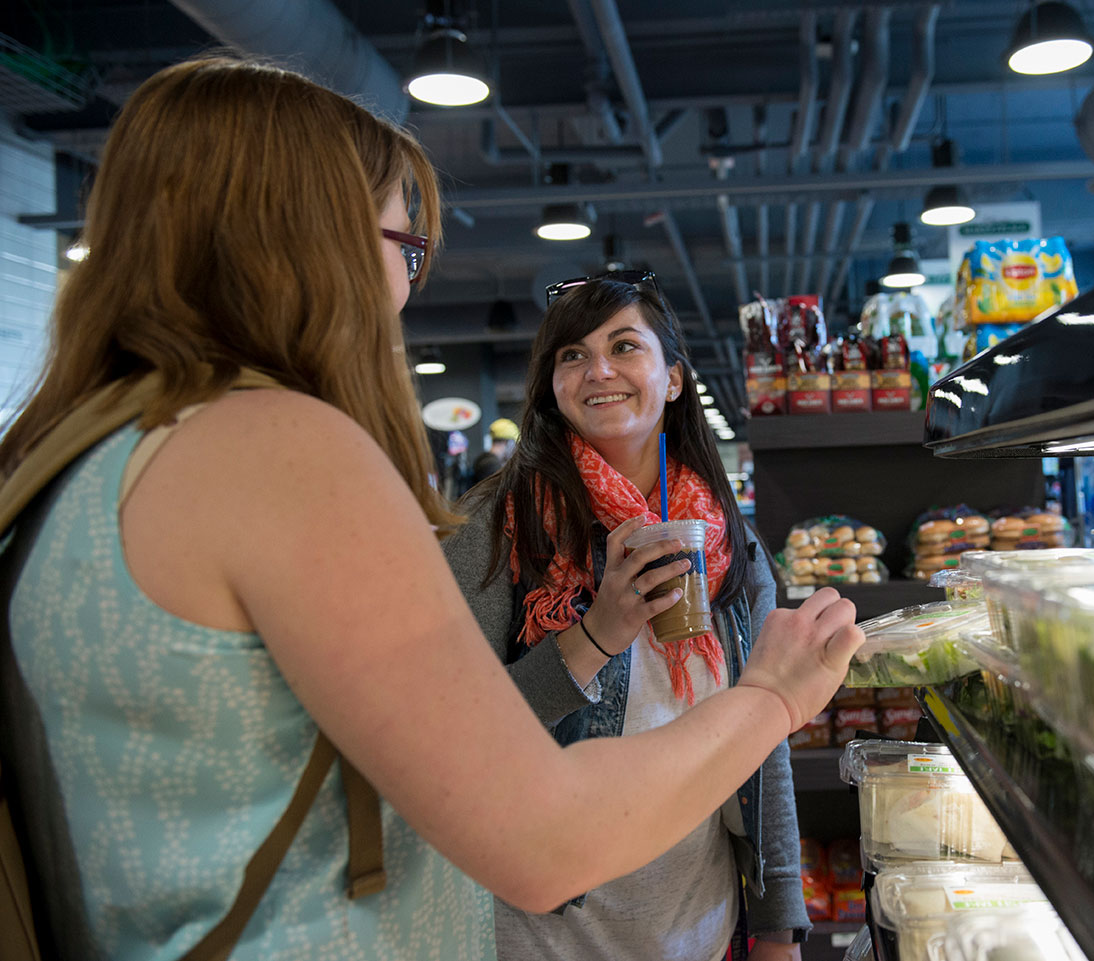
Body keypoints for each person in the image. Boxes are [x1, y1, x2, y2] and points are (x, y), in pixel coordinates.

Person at [0, 56, 863, 961]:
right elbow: (540, 833)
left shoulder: (82, 451)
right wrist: (771, 697)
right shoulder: (278, 451)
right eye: (403, 247)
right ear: (309, 237)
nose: (406, 288)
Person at [442, 276, 807, 961]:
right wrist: (595, 634)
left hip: (699, 931)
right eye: (572, 355)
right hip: (536, 936)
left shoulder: (729, 540)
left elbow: (762, 738)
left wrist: (779, 932)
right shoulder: (495, 528)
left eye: (623, 345)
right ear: (553, 385)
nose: (598, 369)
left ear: (671, 380)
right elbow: (456, 741)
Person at [469, 418, 517, 483]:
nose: (515, 448)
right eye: (514, 444)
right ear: (507, 442)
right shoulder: (490, 464)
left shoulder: (486, 460)